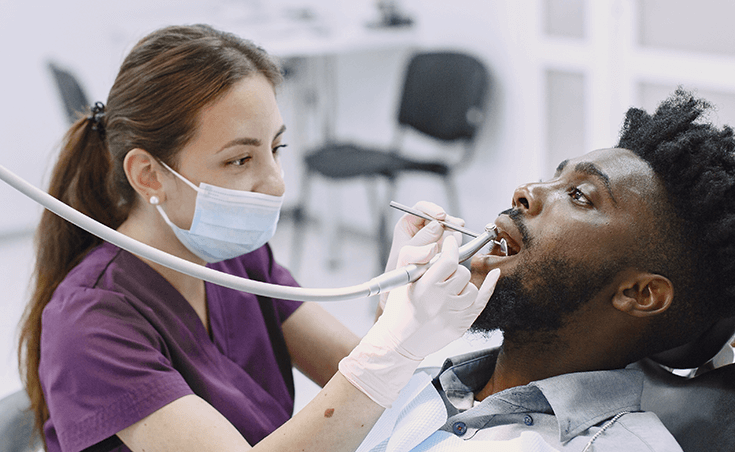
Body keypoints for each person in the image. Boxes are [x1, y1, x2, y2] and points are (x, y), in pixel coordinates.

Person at [16, 24, 499, 452]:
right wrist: (393, 345)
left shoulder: (240, 263)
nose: (277, 183)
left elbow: (357, 378)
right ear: (149, 175)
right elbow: (370, 375)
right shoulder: (90, 324)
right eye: (240, 160)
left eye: (276, 148)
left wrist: (398, 309)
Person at [357, 89, 735, 451]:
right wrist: (387, 338)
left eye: (580, 195)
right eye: (554, 176)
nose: (527, 191)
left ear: (640, 293)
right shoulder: (431, 367)